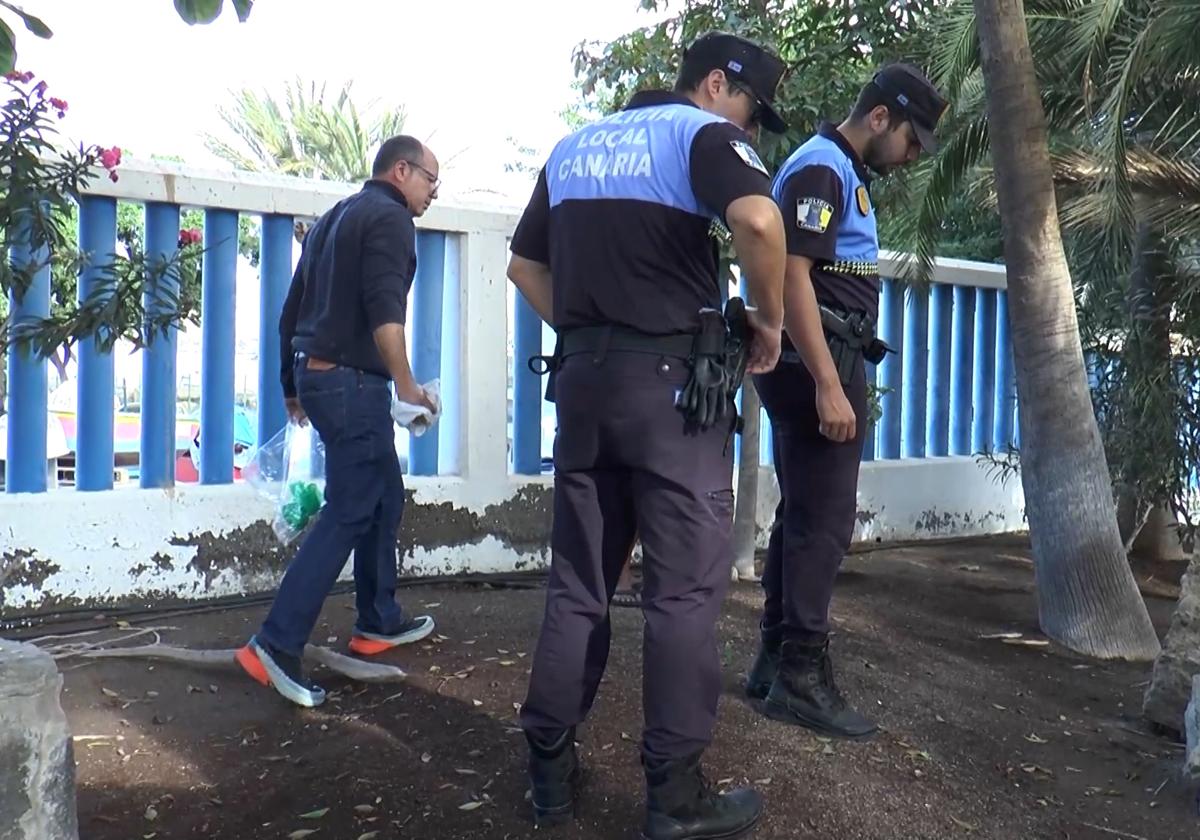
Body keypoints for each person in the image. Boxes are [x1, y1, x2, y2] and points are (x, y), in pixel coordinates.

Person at [507, 31, 788, 840]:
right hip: (675, 400)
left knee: (578, 583)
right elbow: (762, 223)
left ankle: (550, 776)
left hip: (585, 384)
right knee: (683, 593)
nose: (752, 131)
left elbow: (525, 266)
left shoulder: (572, 148)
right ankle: (674, 794)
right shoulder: (700, 135)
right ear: (714, 84)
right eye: (751, 111)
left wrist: (598, 332)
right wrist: (768, 325)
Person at [744, 65, 949, 739]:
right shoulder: (822, 168)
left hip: (817, 356)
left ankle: (775, 662)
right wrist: (831, 382)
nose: (914, 155)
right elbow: (795, 276)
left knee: (803, 512)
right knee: (825, 522)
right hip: (816, 361)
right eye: (912, 140)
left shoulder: (837, 170)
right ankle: (801, 676)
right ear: (882, 117)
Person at [235, 135, 442, 708]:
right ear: (401, 171)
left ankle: (379, 618)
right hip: (352, 383)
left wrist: (289, 385)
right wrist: (407, 385)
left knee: (383, 493)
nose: (432, 194)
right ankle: (275, 644)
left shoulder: (332, 219)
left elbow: (291, 311)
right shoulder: (391, 218)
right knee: (351, 506)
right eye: (431, 181)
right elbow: (385, 309)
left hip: (319, 376)